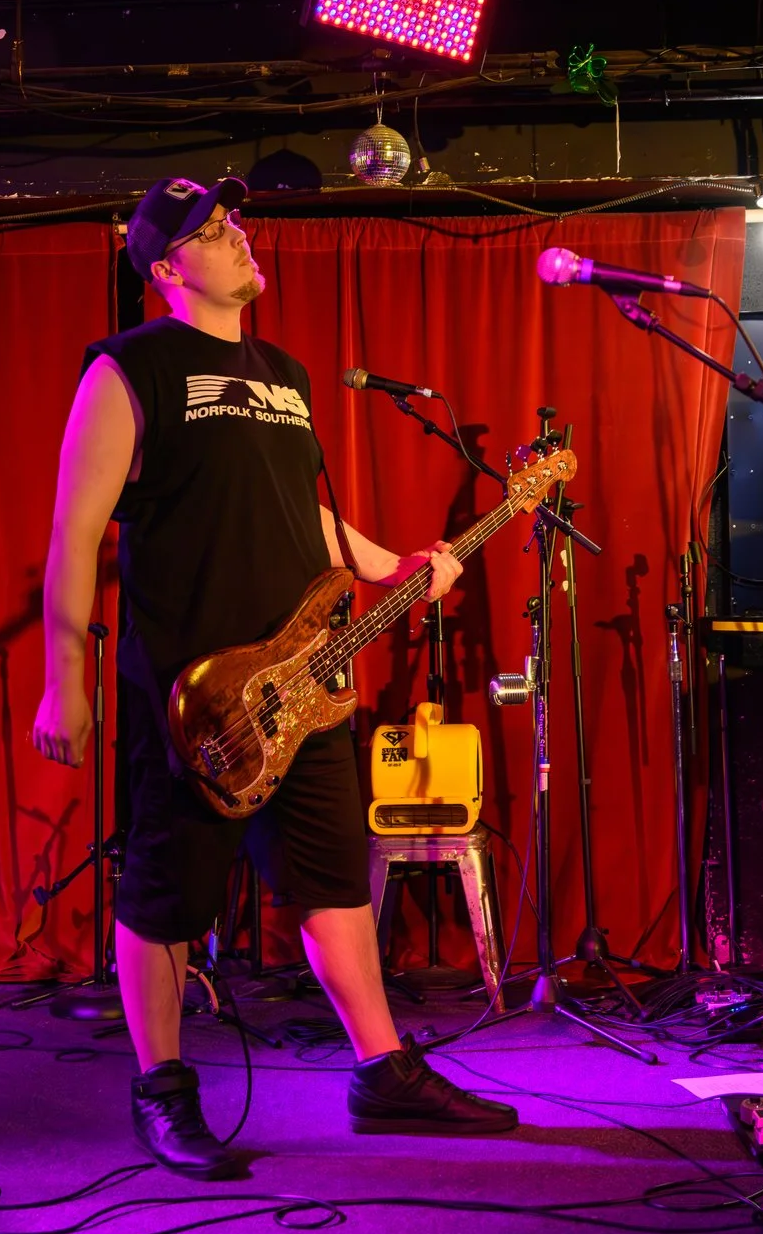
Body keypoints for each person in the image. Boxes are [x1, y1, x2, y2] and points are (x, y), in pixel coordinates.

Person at [32, 176, 515, 1180]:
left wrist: (394, 565)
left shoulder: (285, 373)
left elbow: (308, 518)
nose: (239, 235)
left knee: (332, 877)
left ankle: (382, 1071)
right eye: (213, 230)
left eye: (235, 220)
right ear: (166, 268)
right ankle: (162, 1086)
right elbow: (74, 532)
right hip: (195, 689)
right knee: (167, 889)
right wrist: (61, 678)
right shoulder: (127, 368)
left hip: (306, 678)